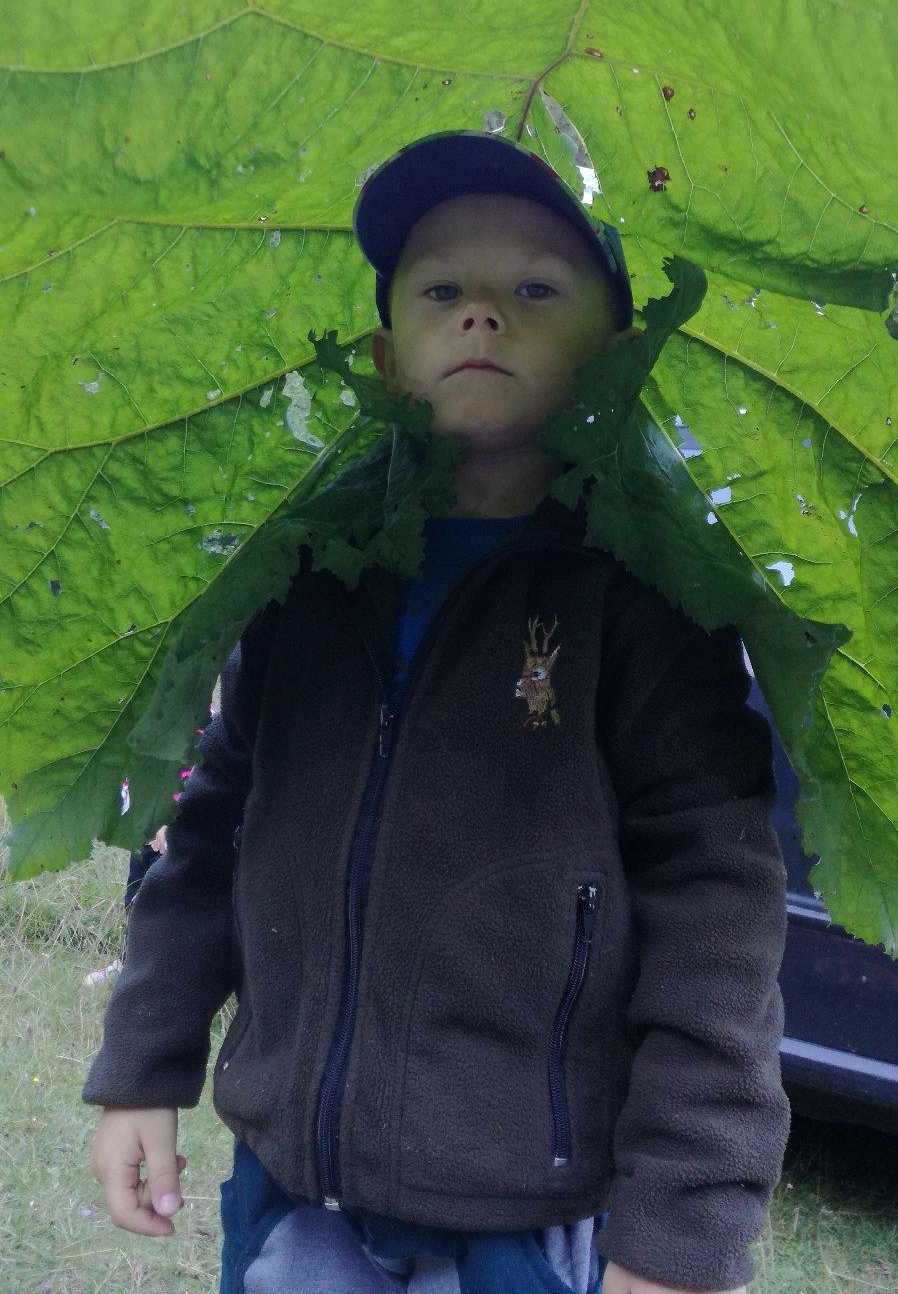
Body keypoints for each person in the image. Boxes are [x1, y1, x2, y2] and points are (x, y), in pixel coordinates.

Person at [83, 130, 791, 1294]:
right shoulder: (314, 574)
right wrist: (142, 1067)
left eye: (535, 289)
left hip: (527, 1216)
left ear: (617, 351)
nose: (481, 314)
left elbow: (716, 920)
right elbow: (211, 827)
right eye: (441, 290)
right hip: (293, 1190)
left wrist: (681, 1224)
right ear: (385, 354)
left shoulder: (646, 601)